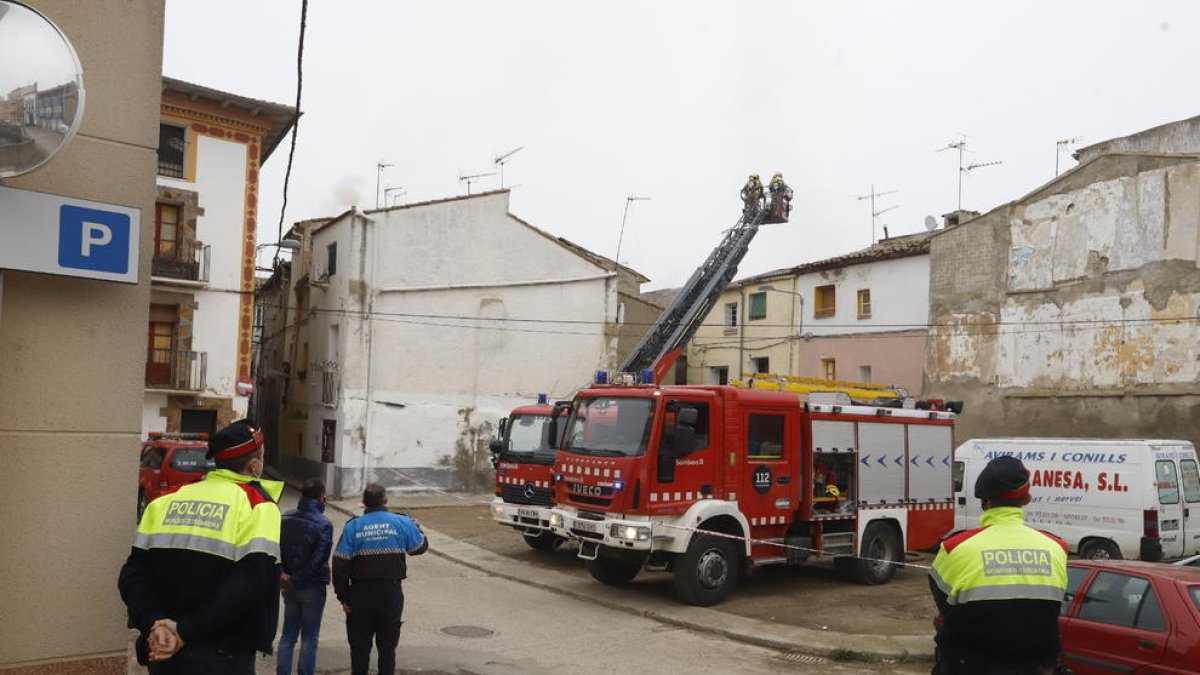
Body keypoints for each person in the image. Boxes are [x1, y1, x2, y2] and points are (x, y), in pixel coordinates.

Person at [119, 419, 283, 674]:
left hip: (162, 651)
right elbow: (250, 585)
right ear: (254, 466)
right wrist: (184, 631)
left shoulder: (164, 501)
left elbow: (133, 574)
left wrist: (155, 624)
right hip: (221, 657)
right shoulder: (257, 505)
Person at [928, 456, 1068, 674]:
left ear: (984, 501)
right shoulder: (1057, 549)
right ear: (1027, 499)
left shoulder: (954, 548)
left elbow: (945, 607)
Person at [333, 484, 428, 675]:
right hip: (390, 594)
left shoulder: (353, 526)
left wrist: (344, 597)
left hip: (360, 595)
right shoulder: (402, 522)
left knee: (359, 649)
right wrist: (417, 527)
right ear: (386, 500)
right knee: (387, 648)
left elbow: (339, 564)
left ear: (363, 503)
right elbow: (419, 547)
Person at [277, 478, 334, 675]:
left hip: (288, 585)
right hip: (311, 586)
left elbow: (277, 549)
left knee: (288, 635)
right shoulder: (324, 524)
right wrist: (298, 579)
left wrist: (284, 575)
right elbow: (319, 558)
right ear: (321, 497)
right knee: (310, 637)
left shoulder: (286, 517)